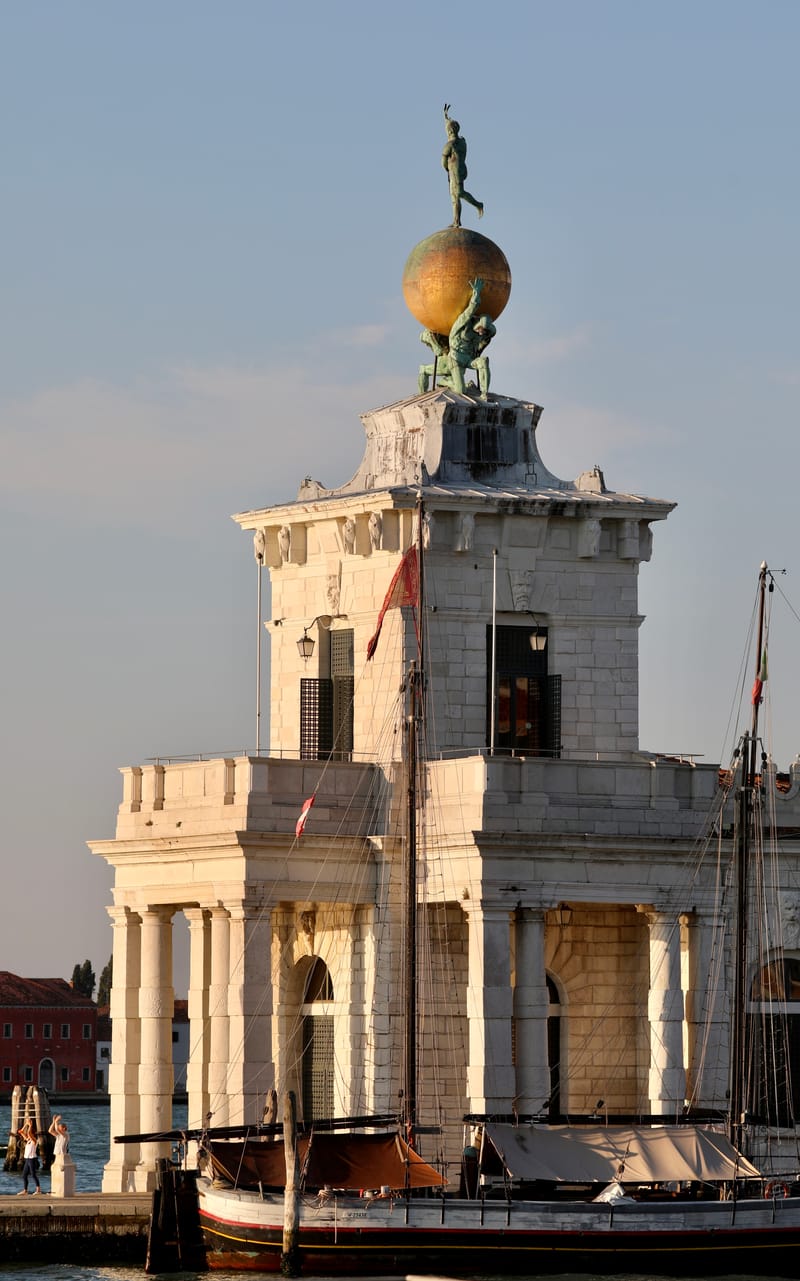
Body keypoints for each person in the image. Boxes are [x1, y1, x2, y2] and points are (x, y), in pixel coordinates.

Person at [442, 104, 484, 228]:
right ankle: (457, 220)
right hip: (461, 170)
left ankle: (478, 205)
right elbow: (452, 127)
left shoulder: (449, 145)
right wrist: (446, 118)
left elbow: (443, 161)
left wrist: (446, 168)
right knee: (455, 195)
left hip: (454, 171)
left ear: (449, 131)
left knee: (458, 194)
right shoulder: (462, 142)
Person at [17, 1120, 42, 1195]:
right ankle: (25, 1190)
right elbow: (20, 1131)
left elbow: (28, 1133)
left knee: (33, 1174)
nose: (28, 1135)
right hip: (27, 1159)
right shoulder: (28, 1140)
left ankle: (38, 1190)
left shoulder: (34, 1140)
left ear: (32, 1134)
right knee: (24, 1175)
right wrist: (26, 1124)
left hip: (32, 1159)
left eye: (30, 1134)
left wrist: (30, 1126)